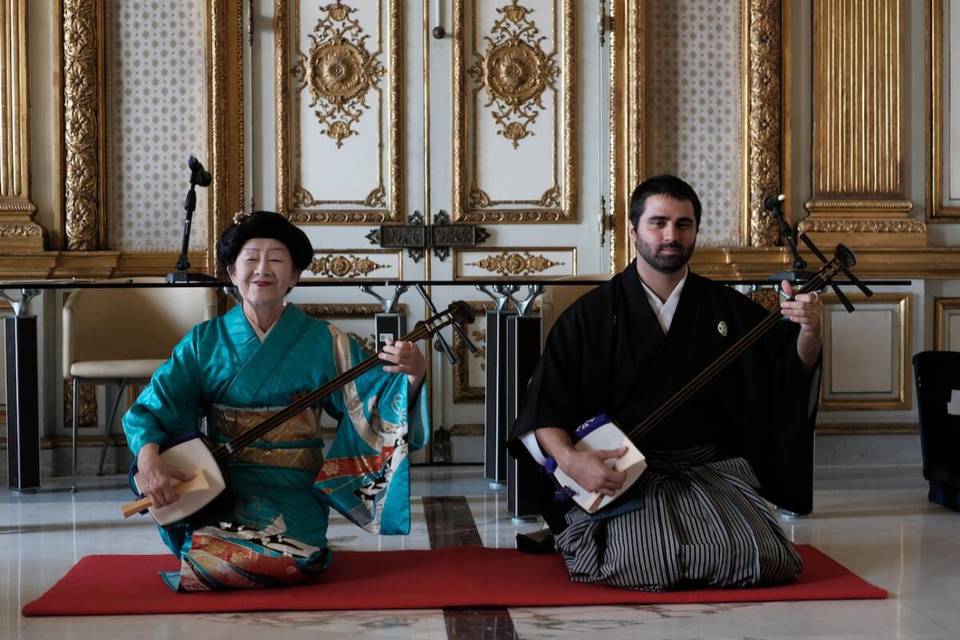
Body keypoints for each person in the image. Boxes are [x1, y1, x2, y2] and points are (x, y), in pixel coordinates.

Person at [509, 175, 822, 591]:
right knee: (641, 561)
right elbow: (544, 403)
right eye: (658, 223)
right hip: (623, 472)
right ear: (634, 230)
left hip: (706, 470)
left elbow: (783, 375)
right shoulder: (591, 316)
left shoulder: (726, 308)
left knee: (764, 558)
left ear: (695, 230)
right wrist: (572, 461)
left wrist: (809, 332)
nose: (671, 235)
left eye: (683, 224)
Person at [122, 211, 428, 592]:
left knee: (290, 556)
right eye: (250, 259)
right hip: (217, 487)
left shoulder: (324, 341)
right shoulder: (205, 341)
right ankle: (214, 551)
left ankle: (245, 554)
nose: (262, 270)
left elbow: (377, 397)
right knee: (215, 555)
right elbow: (153, 407)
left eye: (277, 260)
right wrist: (149, 459)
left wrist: (412, 374)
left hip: (291, 487)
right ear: (232, 273)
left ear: (294, 276)